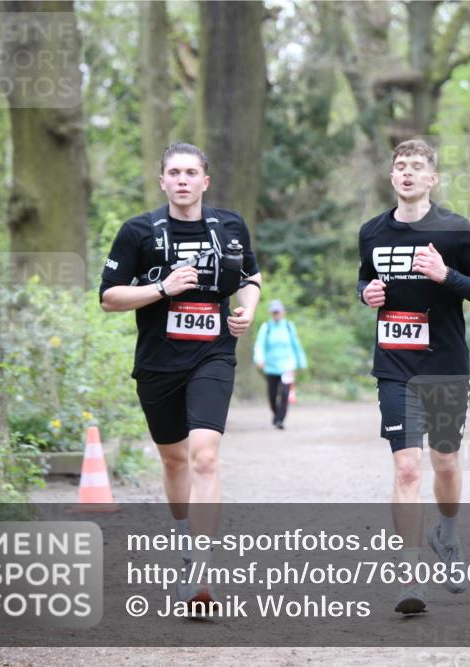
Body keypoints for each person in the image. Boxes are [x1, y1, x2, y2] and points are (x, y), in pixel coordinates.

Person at [99, 142, 261, 610]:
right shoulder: (138, 232)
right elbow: (109, 297)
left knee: (205, 457)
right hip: (157, 362)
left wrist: (246, 310)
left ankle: (201, 565)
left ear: (205, 181)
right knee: (173, 461)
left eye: (192, 172)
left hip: (213, 355)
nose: (184, 179)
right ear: (163, 181)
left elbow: (250, 276)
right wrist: (161, 288)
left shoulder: (229, 225)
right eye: (175, 172)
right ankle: (183, 539)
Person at [357, 138, 470, 614]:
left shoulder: (456, 231)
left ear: (432, 179)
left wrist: (448, 277)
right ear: (392, 176)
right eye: (400, 166)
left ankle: (449, 535)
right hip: (395, 366)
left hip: (444, 367)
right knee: (406, 467)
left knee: (444, 464)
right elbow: (364, 277)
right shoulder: (372, 232)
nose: (407, 173)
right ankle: (410, 576)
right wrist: (367, 294)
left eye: (417, 167)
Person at [253, 299, 308, 429]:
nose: (276, 314)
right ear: (271, 313)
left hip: (287, 366)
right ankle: (276, 414)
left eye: (278, 312)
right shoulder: (266, 327)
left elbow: (296, 345)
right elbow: (259, 345)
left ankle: (280, 420)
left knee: (284, 393)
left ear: (283, 312)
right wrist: (259, 359)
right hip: (271, 367)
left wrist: (302, 362)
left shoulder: (289, 326)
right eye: (274, 312)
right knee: (272, 396)